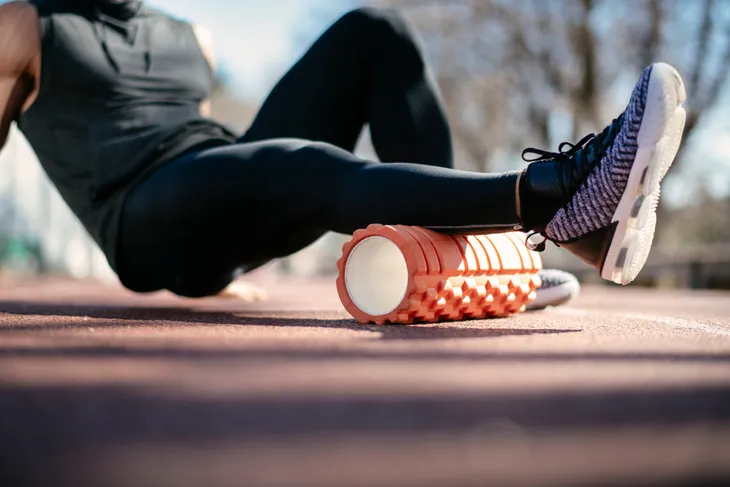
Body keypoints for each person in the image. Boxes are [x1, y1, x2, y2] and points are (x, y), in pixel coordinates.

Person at [0, 0, 686, 301]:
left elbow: (214, 157)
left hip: (216, 184)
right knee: (296, 164)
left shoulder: (190, 36)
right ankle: (551, 196)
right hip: (139, 215)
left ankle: (469, 261)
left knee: (374, 31)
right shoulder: (25, 25)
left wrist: (227, 252)